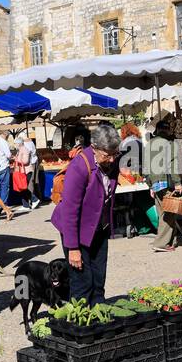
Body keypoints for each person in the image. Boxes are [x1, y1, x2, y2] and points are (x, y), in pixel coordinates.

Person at [51, 122, 120, 302]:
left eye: (115, 154)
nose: (112, 160)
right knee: (82, 282)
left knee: (98, 280)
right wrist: (73, 247)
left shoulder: (112, 162)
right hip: (76, 230)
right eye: (107, 155)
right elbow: (69, 210)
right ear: (95, 148)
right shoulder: (80, 166)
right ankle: (81, 325)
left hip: (98, 228)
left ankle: (99, 319)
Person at [148, 115, 182, 252]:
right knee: (169, 212)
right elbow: (173, 164)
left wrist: (150, 185)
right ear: (167, 131)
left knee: (163, 212)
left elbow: (145, 166)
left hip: (155, 182)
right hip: (165, 181)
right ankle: (161, 243)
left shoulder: (149, 144)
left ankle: (170, 240)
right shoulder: (169, 144)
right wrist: (178, 182)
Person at [14, 131, 41, 210]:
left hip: (26, 170)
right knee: (22, 188)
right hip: (22, 171)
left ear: (19, 143)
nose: (14, 145)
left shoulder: (25, 149)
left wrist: (17, 160)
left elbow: (26, 161)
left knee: (24, 187)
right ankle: (25, 205)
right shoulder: (20, 150)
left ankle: (35, 199)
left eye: (15, 144)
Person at [0, 129, 15, 221]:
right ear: (5, 135)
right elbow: (8, 154)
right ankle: (2, 207)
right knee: (5, 187)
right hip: (3, 166)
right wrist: (12, 156)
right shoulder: (4, 142)